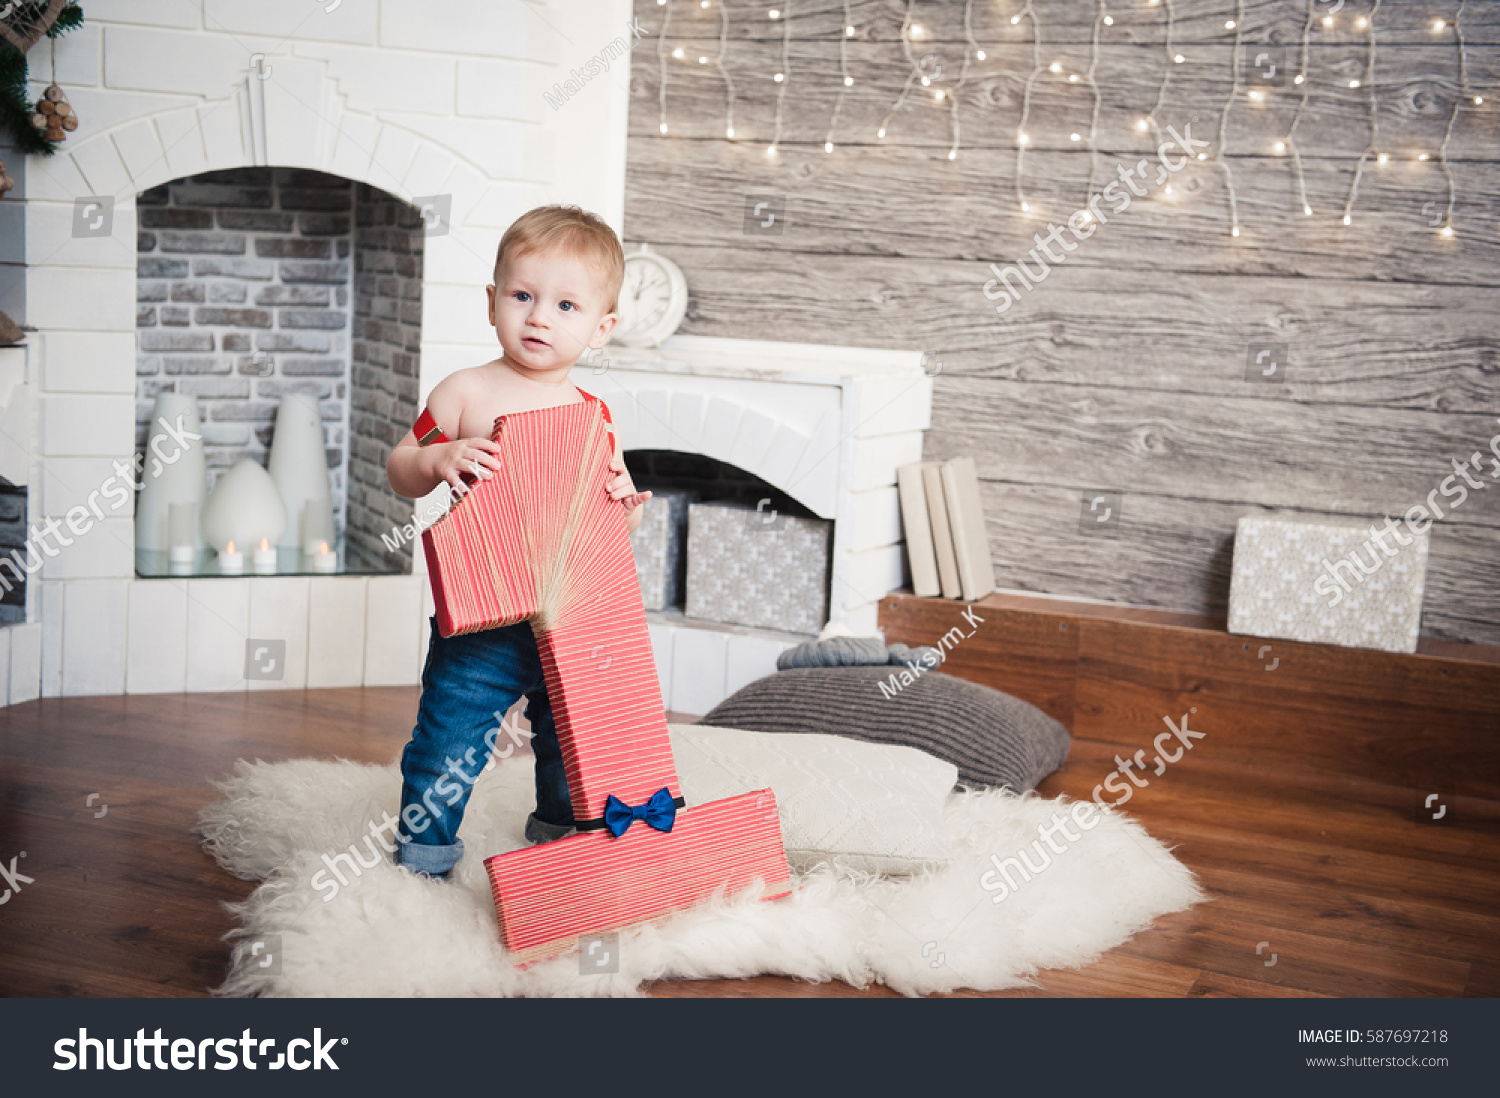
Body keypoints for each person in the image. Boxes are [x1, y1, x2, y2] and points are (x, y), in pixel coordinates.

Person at [384, 205, 652, 878]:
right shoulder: (464, 392)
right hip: (483, 614)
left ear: (600, 328)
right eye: (523, 296)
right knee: (450, 735)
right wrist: (438, 459)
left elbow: (611, 521)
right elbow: (400, 465)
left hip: (568, 610)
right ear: (492, 301)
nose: (539, 317)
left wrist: (627, 505)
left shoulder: (595, 417)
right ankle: (425, 855)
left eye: (566, 305)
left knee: (570, 737)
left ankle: (560, 840)